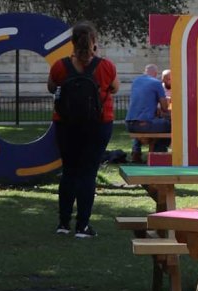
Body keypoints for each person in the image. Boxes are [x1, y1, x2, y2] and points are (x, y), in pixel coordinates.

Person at [47, 21, 117, 239]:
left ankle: (63, 223)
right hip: (98, 124)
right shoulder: (105, 66)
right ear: (94, 42)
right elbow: (114, 88)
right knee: (88, 173)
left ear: (72, 42)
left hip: (66, 124)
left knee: (69, 171)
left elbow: (51, 87)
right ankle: (83, 226)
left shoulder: (60, 66)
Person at [125, 63, 167, 159]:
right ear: (156, 73)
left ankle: (136, 151)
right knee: (170, 126)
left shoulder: (136, 81)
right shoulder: (156, 83)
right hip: (144, 125)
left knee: (145, 122)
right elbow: (164, 107)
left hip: (129, 124)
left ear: (145, 72)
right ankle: (157, 155)